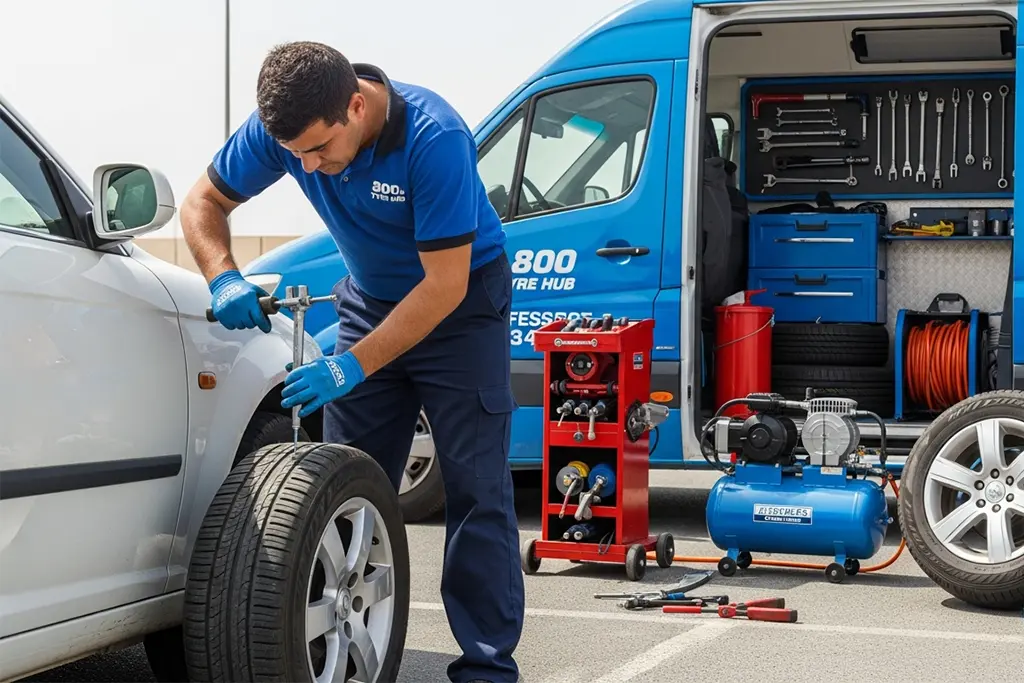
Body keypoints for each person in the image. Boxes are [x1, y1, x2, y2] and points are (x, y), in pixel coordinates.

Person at [179, 41, 525, 683]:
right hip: (371, 297)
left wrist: (351, 366)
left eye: (317, 150)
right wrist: (223, 277)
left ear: (356, 107)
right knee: (347, 486)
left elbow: (442, 287)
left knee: (477, 491)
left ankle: (486, 665)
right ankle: (336, 651)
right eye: (294, 156)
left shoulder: (434, 137)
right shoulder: (283, 128)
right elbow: (201, 204)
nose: (308, 166)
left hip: (463, 306)